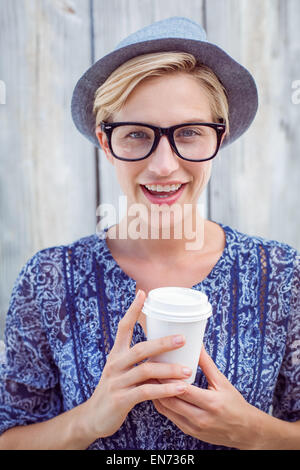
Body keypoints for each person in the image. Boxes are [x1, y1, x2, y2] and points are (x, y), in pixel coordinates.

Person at [0, 17, 299, 451]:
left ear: (221, 135)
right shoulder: (50, 280)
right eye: (138, 134)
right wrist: (88, 420)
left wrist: (255, 433)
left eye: (189, 133)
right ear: (106, 142)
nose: (163, 165)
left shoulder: (282, 275)